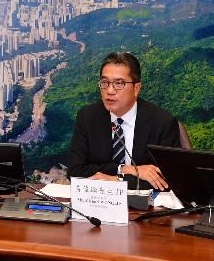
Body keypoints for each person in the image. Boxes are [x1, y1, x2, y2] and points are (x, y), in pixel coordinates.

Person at [67, 52, 181, 190]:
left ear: (136, 89)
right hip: (99, 204)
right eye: (105, 82)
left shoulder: (162, 122)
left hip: (144, 207)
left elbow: (166, 179)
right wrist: (126, 169)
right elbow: (75, 171)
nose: (109, 90)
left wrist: (116, 179)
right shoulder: (88, 117)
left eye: (118, 83)